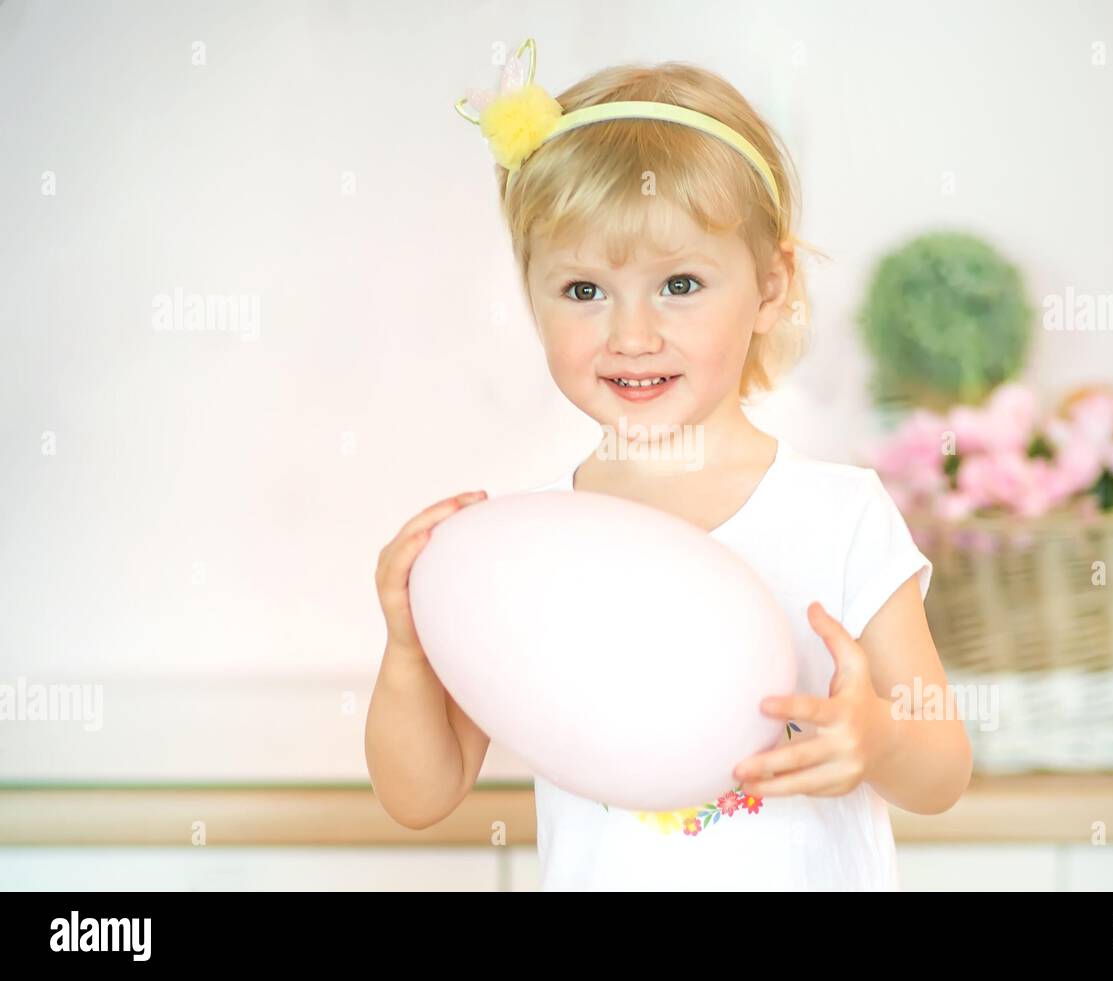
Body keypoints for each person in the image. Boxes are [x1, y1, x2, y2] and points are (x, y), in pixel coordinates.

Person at [366, 38, 971, 890]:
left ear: (769, 286)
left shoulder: (839, 513)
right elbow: (419, 796)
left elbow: (943, 769)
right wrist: (407, 648)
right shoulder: (524, 551)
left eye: (680, 283)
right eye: (583, 291)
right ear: (531, 294)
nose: (632, 334)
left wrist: (877, 738)